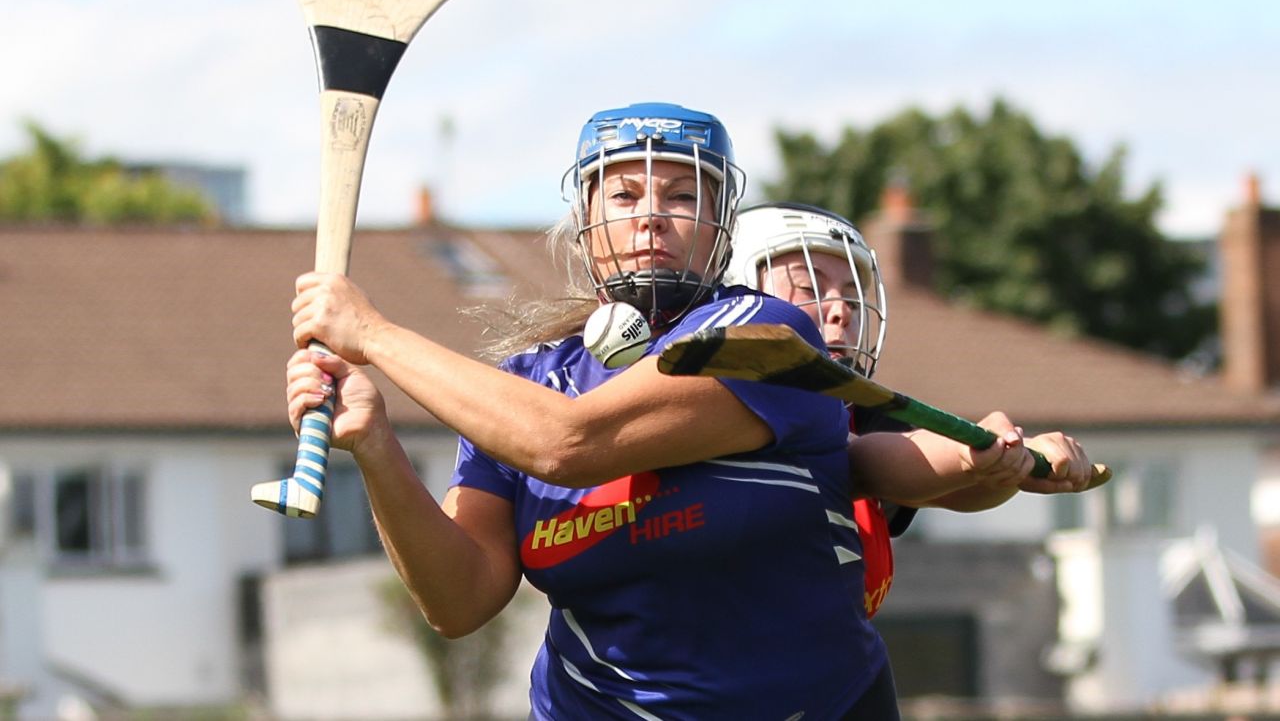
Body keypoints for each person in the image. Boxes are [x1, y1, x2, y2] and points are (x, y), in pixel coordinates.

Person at [284, 103, 1085, 718]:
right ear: (587, 226)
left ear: (719, 228)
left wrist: (374, 334)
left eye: (681, 194)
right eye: (626, 193)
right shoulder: (524, 384)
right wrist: (375, 442)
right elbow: (458, 600)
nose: (651, 214)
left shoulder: (766, 334)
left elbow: (567, 444)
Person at [725, 201, 1092, 617]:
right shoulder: (717, 411)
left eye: (851, 294)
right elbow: (868, 462)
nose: (842, 310)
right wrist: (977, 453)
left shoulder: (857, 416)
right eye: (810, 287)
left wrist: (1007, 458)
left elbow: (947, 484)